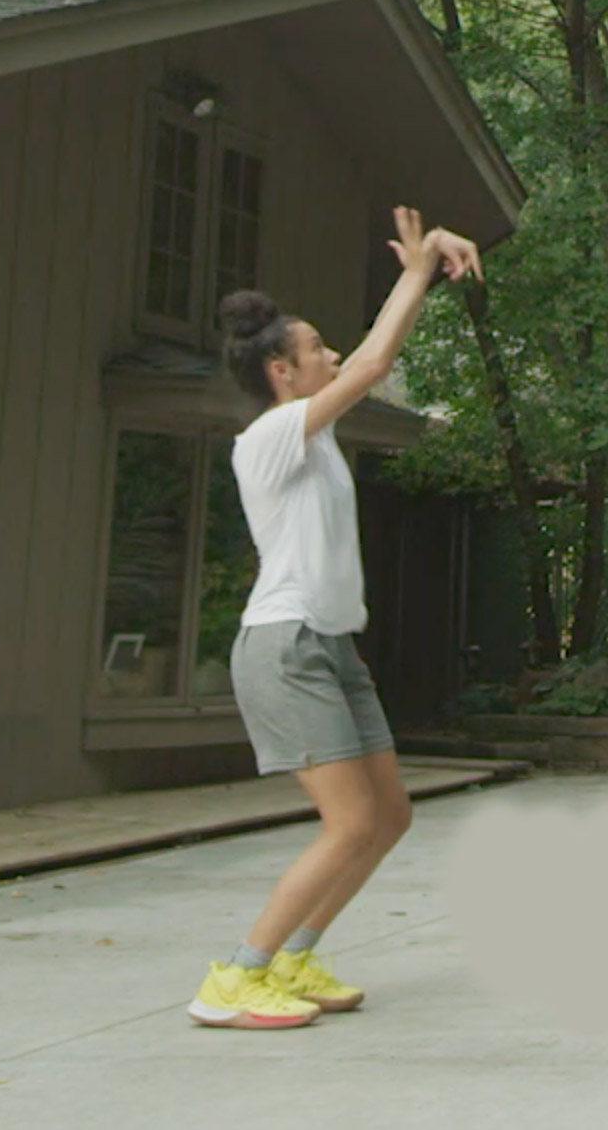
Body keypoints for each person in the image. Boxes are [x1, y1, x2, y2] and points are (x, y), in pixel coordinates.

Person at [189, 206, 482, 1031]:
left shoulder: (313, 434)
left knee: (388, 815)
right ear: (283, 371)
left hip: (328, 645)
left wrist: (413, 277)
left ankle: (292, 957)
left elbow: (370, 357)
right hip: (285, 649)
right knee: (350, 820)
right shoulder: (272, 436)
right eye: (317, 348)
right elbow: (380, 356)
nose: (333, 357)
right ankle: (235, 978)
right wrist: (418, 270)